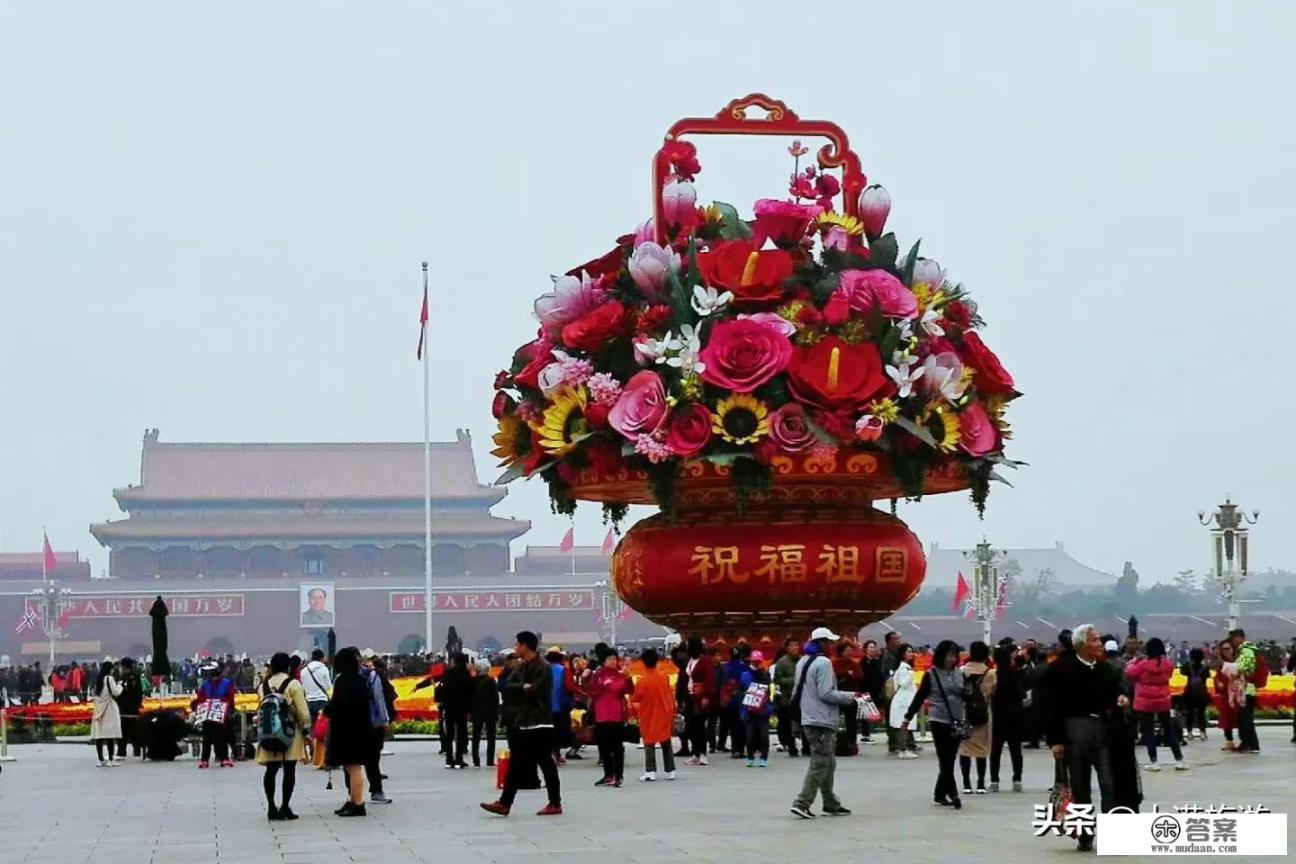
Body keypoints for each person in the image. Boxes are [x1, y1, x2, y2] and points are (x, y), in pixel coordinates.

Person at [1045, 623, 1131, 852]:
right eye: (1094, 640)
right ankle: (1085, 833)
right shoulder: (1060, 669)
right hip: (1075, 729)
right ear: (1081, 645)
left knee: (1108, 781)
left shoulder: (1104, 669)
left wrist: (1121, 698)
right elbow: (1050, 707)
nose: (1099, 644)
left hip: (1103, 729)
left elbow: (1115, 692)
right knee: (1080, 785)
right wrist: (1055, 740)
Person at [481, 630, 563, 817]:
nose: (516, 647)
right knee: (516, 763)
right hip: (523, 722)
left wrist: (524, 689)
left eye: (518, 644)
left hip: (540, 722)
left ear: (526, 646)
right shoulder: (520, 667)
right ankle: (505, 803)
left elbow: (536, 691)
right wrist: (522, 687)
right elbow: (507, 687)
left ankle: (555, 802)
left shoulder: (543, 667)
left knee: (545, 763)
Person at [788, 626, 856, 820]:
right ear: (823, 643)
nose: (831, 646)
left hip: (808, 716)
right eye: (829, 642)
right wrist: (850, 696)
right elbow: (826, 693)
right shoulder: (824, 663)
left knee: (828, 761)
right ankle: (802, 802)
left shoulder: (803, 661)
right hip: (821, 718)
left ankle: (830, 802)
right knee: (820, 762)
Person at [903, 640, 965, 810]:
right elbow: (919, 698)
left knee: (950, 760)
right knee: (944, 759)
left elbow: (967, 695)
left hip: (957, 720)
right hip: (938, 720)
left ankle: (939, 793)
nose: (952, 659)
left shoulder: (960, 674)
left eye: (954, 656)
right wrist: (907, 717)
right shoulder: (931, 675)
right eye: (949, 655)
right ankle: (953, 794)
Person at [256, 652, 311, 821]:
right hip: (289, 733)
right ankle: (285, 806)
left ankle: (271, 807)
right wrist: (306, 729)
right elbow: (302, 711)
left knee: (270, 771)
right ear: (287, 666)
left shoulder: (263, 686)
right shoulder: (293, 684)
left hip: (268, 732)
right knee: (289, 771)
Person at [325, 648, 373, 817]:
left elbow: (339, 704)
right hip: (359, 728)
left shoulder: (343, 681)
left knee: (353, 767)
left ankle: (358, 803)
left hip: (348, 730)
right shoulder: (359, 680)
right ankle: (352, 800)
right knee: (351, 766)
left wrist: (327, 710)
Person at [587, 649, 633, 787]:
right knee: (604, 747)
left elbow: (629, 690)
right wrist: (603, 686)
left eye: (614, 658)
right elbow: (591, 692)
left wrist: (628, 678)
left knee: (617, 747)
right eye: (609, 659)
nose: (613, 661)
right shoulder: (598, 675)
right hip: (601, 715)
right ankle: (608, 775)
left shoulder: (621, 675)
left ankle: (618, 776)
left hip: (616, 715)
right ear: (603, 661)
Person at [635, 647, 676, 781]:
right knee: (666, 741)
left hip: (648, 714)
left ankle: (650, 771)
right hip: (664, 711)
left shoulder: (642, 680)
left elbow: (636, 697)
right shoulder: (664, 676)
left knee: (649, 741)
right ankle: (671, 770)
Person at [958, 641, 994, 794]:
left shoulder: (961, 671)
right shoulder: (991, 673)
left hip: (965, 713)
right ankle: (980, 783)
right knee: (981, 749)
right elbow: (993, 693)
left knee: (964, 748)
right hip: (983, 713)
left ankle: (966, 784)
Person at [988, 644, 1025, 792]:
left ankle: (994, 780)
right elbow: (1021, 694)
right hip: (1014, 716)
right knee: (1016, 750)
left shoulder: (993, 675)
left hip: (998, 716)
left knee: (996, 750)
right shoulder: (1016, 674)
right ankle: (1017, 779)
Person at [360, 651, 393, 803]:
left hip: (353, 724)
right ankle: (376, 790)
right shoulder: (372, 677)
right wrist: (385, 721)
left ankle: (352, 795)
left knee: (352, 764)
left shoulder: (342, 677)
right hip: (372, 723)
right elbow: (379, 699)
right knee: (372, 758)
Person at [192, 662, 235, 768]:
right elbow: (200, 698)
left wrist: (228, 708)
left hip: (221, 714)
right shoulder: (205, 684)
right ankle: (204, 759)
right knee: (207, 738)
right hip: (207, 715)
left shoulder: (227, 683)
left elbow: (230, 698)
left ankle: (224, 758)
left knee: (222, 737)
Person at [683, 636, 715, 766]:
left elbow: (709, 679)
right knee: (690, 726)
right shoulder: (689, 660)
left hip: (700, 697)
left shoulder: (705, 661)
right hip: (690, 696)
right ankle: (695, 753)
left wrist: (706, 696)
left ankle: (703, 753)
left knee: (699, 725)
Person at [1229, 628, 1261, 753]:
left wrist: (1232, 668)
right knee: (1242, 718)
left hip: (1248, 689)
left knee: (1246, 718)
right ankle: (1246, 743)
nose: (1232, 643)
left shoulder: (1247, 651)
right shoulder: (1243, 651)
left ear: (1239, 638)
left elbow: (1247, 667)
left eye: (1233, 640)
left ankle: (1252, 744)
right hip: (1243, 689)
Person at [741, 650, 774, 767]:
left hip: (763, 708)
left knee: (764, 734)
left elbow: (768, 690)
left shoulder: (765, 674)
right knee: (749, 735)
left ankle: (763, 758)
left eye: (758, 661)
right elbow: (742, 691)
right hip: (749, 708)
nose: (756, 663)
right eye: (755, 661)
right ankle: (750, 756)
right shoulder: (745, 674)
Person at [440, 652, 473, 769]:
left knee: (449, 733)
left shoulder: (449, 672)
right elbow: (470, 691)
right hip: (462, 707)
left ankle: (449, 758)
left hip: (449, 706)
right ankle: (459, 758)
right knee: (461, 732)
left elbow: (443, 689)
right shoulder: (466, 673)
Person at [887, 644, 919, 759]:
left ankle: (904, 748)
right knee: (902, 724)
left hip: (906, 699)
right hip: (902, 700)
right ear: (903, 654)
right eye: (908, 651)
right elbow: (903, 683)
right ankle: (902, 749)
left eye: (911, 651)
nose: (911, 654)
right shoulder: (903, 668)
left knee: (904, 725)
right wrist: (910, 674)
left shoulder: (905, 667)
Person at [90, 660, 123, 767]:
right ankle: (110, 759)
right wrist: (120, 686)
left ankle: (100, 759)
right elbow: (116, 692)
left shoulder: (98, 679)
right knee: (110, 734)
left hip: (98, 708)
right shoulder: (110, 679)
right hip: (108, 708)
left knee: (99, 735)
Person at [772, 638, 801, 757]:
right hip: (787, 697)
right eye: (792, 645)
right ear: (787, 648)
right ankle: (791, 746)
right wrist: (793, 681)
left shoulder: (802, 660)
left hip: (801, 696)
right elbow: (777, 679)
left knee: (803, 722)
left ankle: (806, 747)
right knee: (788, 723)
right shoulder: (782, 663)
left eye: (796, 645)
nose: (795, 647)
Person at [832, 643, 863, 756]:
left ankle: (852, 742)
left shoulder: (854, 663)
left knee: (851, 720)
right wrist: (846, 674)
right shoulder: (834, 663)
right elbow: (833, 676)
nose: (849, 653)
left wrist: (850, 676)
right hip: (838, 695)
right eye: (847, 650)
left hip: (851, 695)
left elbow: (859, 675)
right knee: (835, 719)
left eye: (850, 650)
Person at [300, 649, 331, 761]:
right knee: (323, 729)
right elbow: (328, 686)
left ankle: (313, 751)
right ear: (322, 658)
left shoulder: (304, 671)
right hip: (322, 701)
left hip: (308, 701)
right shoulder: (324, 669)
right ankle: (322, 754)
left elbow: (302, 687)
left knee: (312, 728)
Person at [115, 657, 146, 760]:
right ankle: (125, 751)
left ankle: (129, 750)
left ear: (124, 666)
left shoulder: (130, 678)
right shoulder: (126, 677)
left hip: (128, 709)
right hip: (126, 709)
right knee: (127, 730)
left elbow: (137, 693)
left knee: (129, 730)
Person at [471, 657, 499, 768]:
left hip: (477, 711)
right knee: (491, 737)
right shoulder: (491, 681)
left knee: (476, 736)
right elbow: (495, 697)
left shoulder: (473, 681)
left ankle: (476, 760)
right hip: (490, 712)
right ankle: (489, 760)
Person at [546, 647, 572, 764]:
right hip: (559, 705)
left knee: (548, 731)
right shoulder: (563, 670)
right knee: (557, 731)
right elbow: (569, 687)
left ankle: (551, 753)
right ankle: (556, 753)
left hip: (545, 706)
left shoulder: (543, 669)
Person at [1179, 647, 1211, 741]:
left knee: (1190, 714)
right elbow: (1208, 676)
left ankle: (1189, 732)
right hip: (1202, 693)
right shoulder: (1205, 668)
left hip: (1189, 693)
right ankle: (1202, 732)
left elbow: (1182, 671)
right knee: (1201, 714)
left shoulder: (1187, 667)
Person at [858, 640, 883, 744]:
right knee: (865, 713)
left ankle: (868, 733)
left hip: (875, 690)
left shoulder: (876, 661)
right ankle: (865, 735)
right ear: (866, 649)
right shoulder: (863, 661)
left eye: (874, 647)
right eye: (870, 647)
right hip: (865, 690)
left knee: (872, 712)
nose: (873, 649)